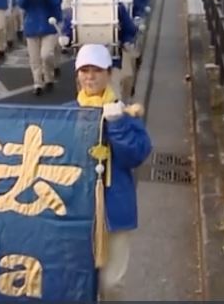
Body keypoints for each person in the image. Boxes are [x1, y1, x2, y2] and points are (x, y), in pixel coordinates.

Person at [71, 44, 151, 301]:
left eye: (96, 70)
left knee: (112, 283)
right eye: (84, 70)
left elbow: (136, 155)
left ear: (108, 74)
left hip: (114, 210)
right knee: (77, 280)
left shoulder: (124, 114)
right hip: (75, 210)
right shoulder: (65, 113)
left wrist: (116, 125)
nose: (90, 77)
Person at [18, 0, 63, 95]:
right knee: (34, 58)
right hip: (32, 26)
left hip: (48, 27)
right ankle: (37, 83)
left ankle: (48, 76)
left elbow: (56, 1)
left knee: (46, 55)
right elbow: (21, 3)